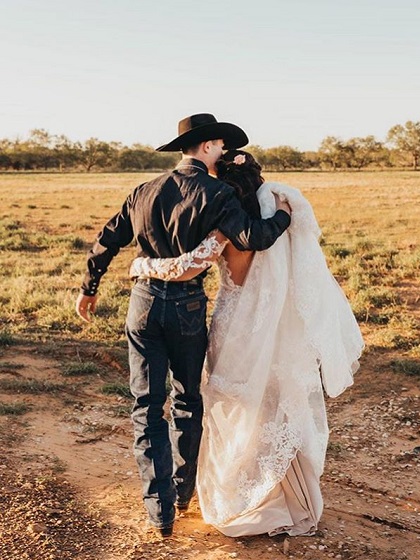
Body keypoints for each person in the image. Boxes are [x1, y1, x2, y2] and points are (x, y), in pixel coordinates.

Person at [75, 114, 292, 537]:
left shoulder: (143, 190)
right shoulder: (218, 193)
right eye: (220, 147)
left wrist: (89, 286)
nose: (223, 155)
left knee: (146, 406)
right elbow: (253, 237)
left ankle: (159, 511)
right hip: (187, 309)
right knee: (188, 401)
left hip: (142, 304)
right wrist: (284, 216)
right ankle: (181, 491)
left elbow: (110, 237)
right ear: (208, 146)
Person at [130, 150, 364, 537]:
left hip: (233, 323)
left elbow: (187, 267)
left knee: (231, 408)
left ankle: (238, 494)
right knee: (271, 405)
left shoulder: (224, 228)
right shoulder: (277, 220)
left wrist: (141, 265)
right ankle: (283, 491)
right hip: (270, 326)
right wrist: (285, 216)